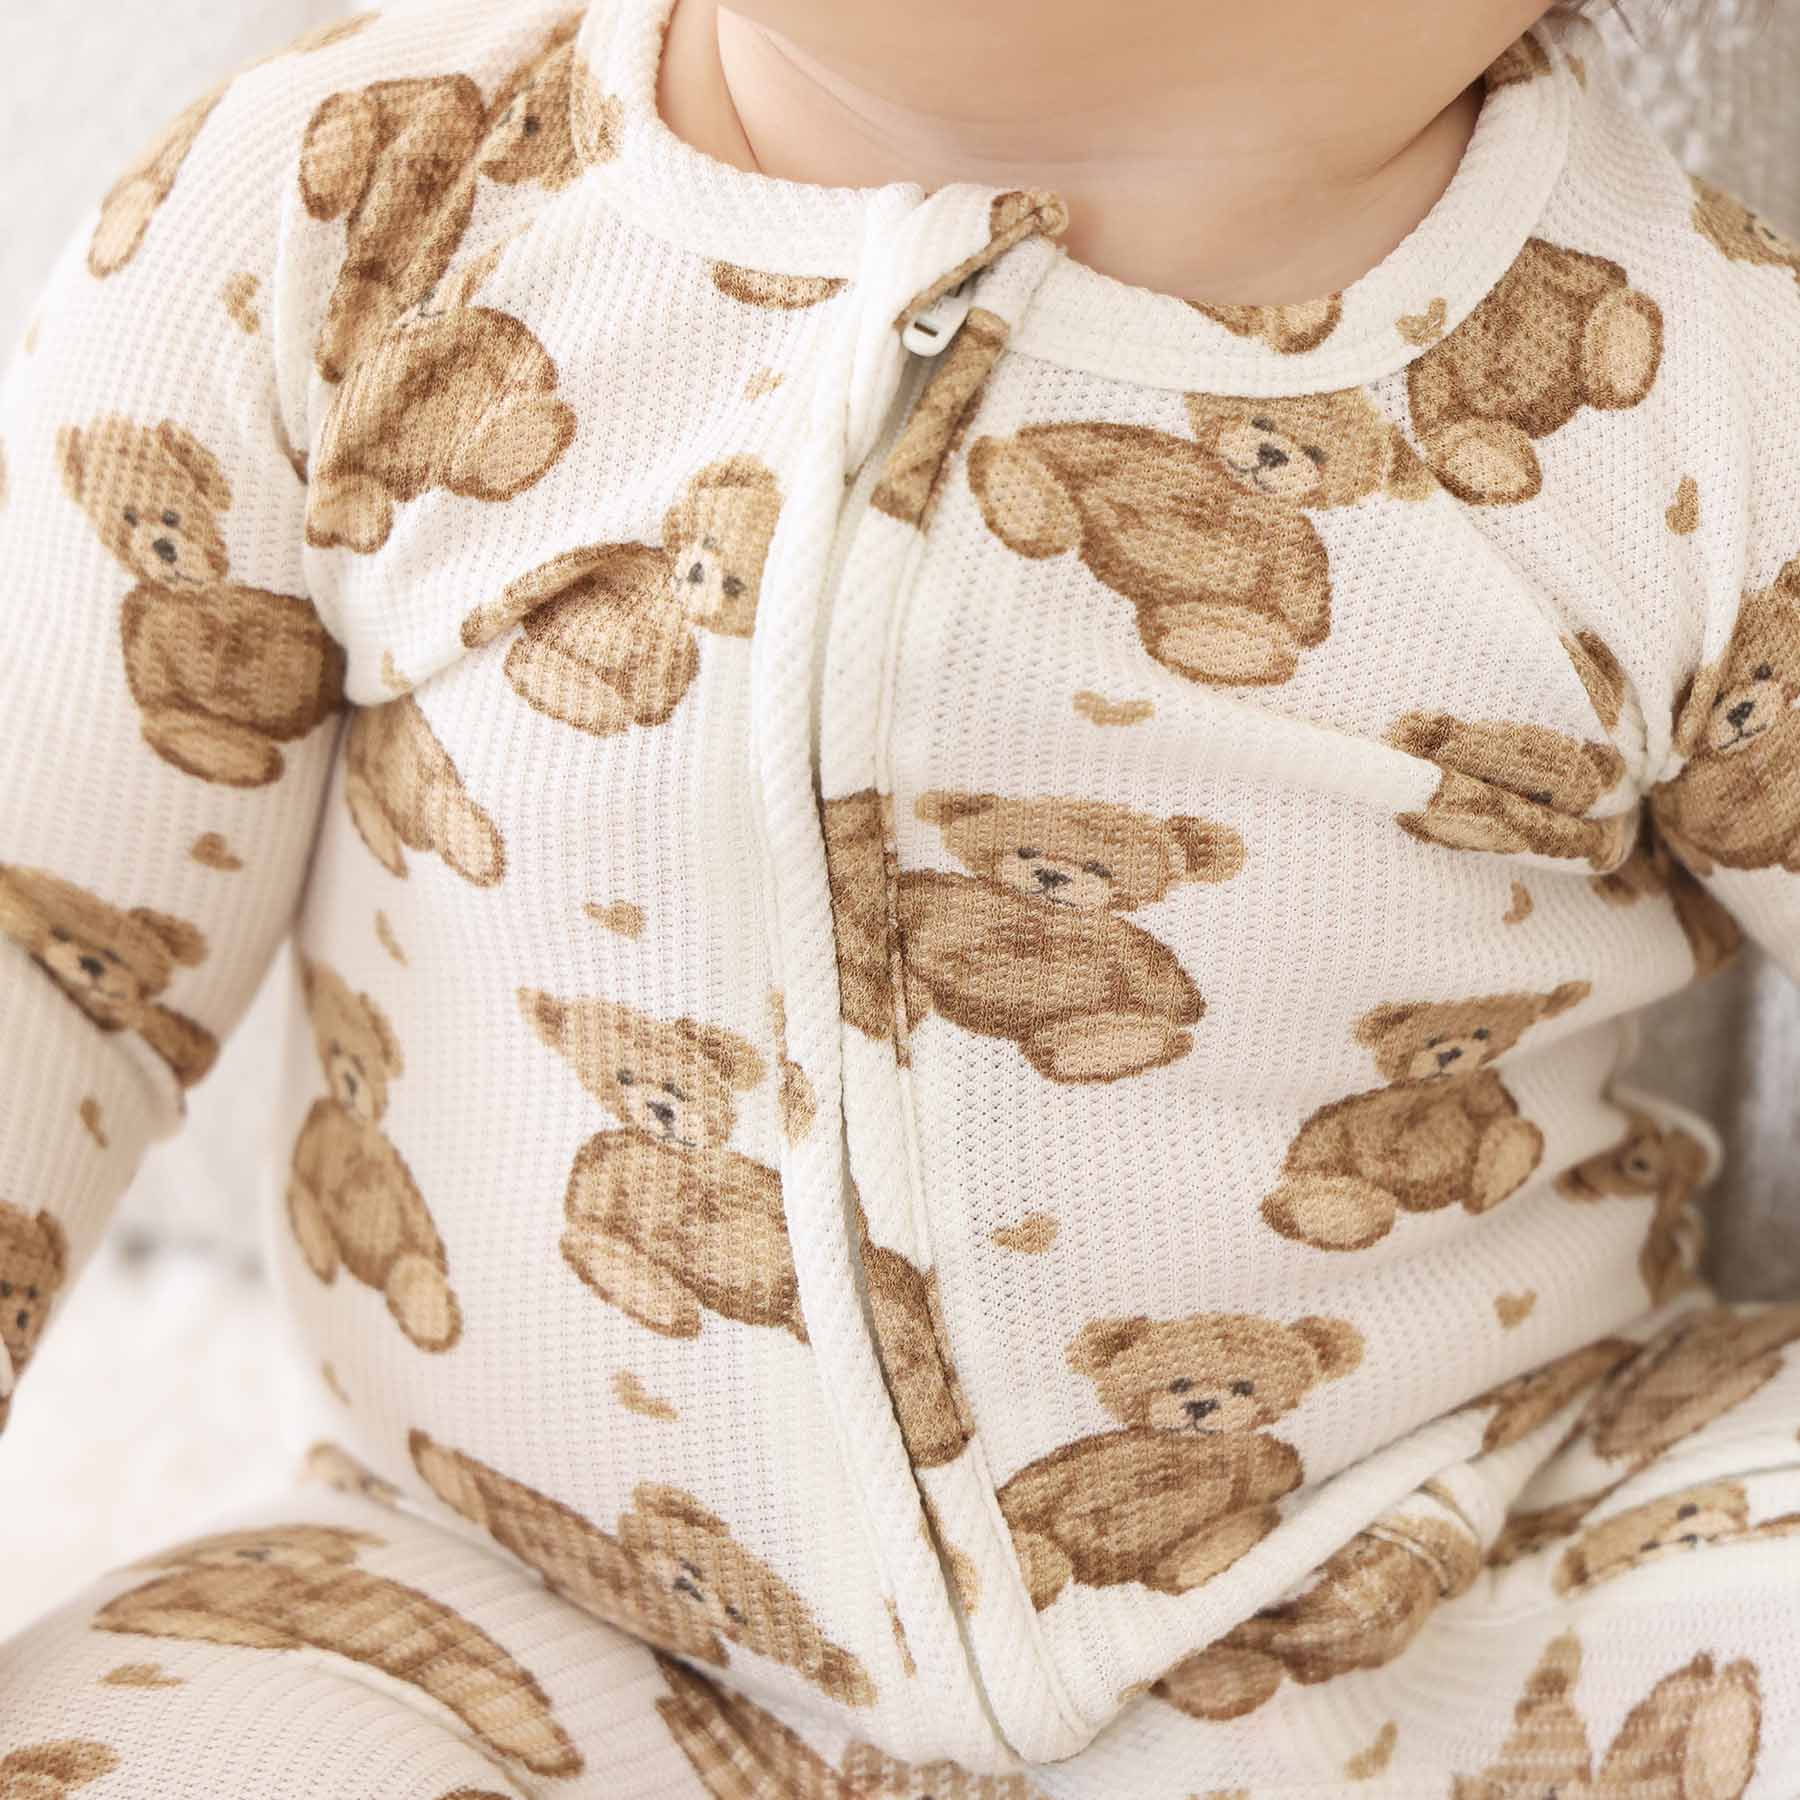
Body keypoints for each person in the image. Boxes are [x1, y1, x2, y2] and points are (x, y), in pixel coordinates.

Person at [1, 0, 1797, 1790]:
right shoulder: (364, 208)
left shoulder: (1681, 386)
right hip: (523, 1620)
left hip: (1454, 1563)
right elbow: (46, 949)